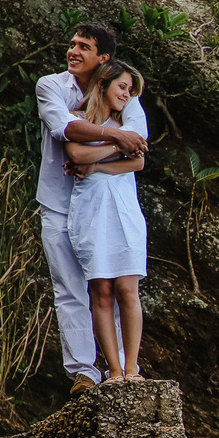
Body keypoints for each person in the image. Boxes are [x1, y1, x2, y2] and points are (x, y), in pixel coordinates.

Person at [35, 23, 149, 395]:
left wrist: (107, 155)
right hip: (58, 201)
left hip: (102, 205)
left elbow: (139, 151)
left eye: (83, 46)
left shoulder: (122, 91)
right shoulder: (51, 86)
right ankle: (85, 372)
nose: (73, 51)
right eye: (71, 44)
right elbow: (65, 130)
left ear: (103, 59)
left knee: (114, 286)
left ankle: (122, 369)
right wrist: (118, 138)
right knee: (71, 288)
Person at [64, 60, 148, 385]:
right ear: (102, 85)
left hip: (124, 208)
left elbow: (138, 161)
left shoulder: (126, 125)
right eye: (122, 87)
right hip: (90, 210)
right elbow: (77, 155)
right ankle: (113, 370)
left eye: (130, 90)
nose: (127, 95)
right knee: (101, 291)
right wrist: (117, 147)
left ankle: (132, 368)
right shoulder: (76, 120)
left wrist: (99, 163)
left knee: (128, 288)